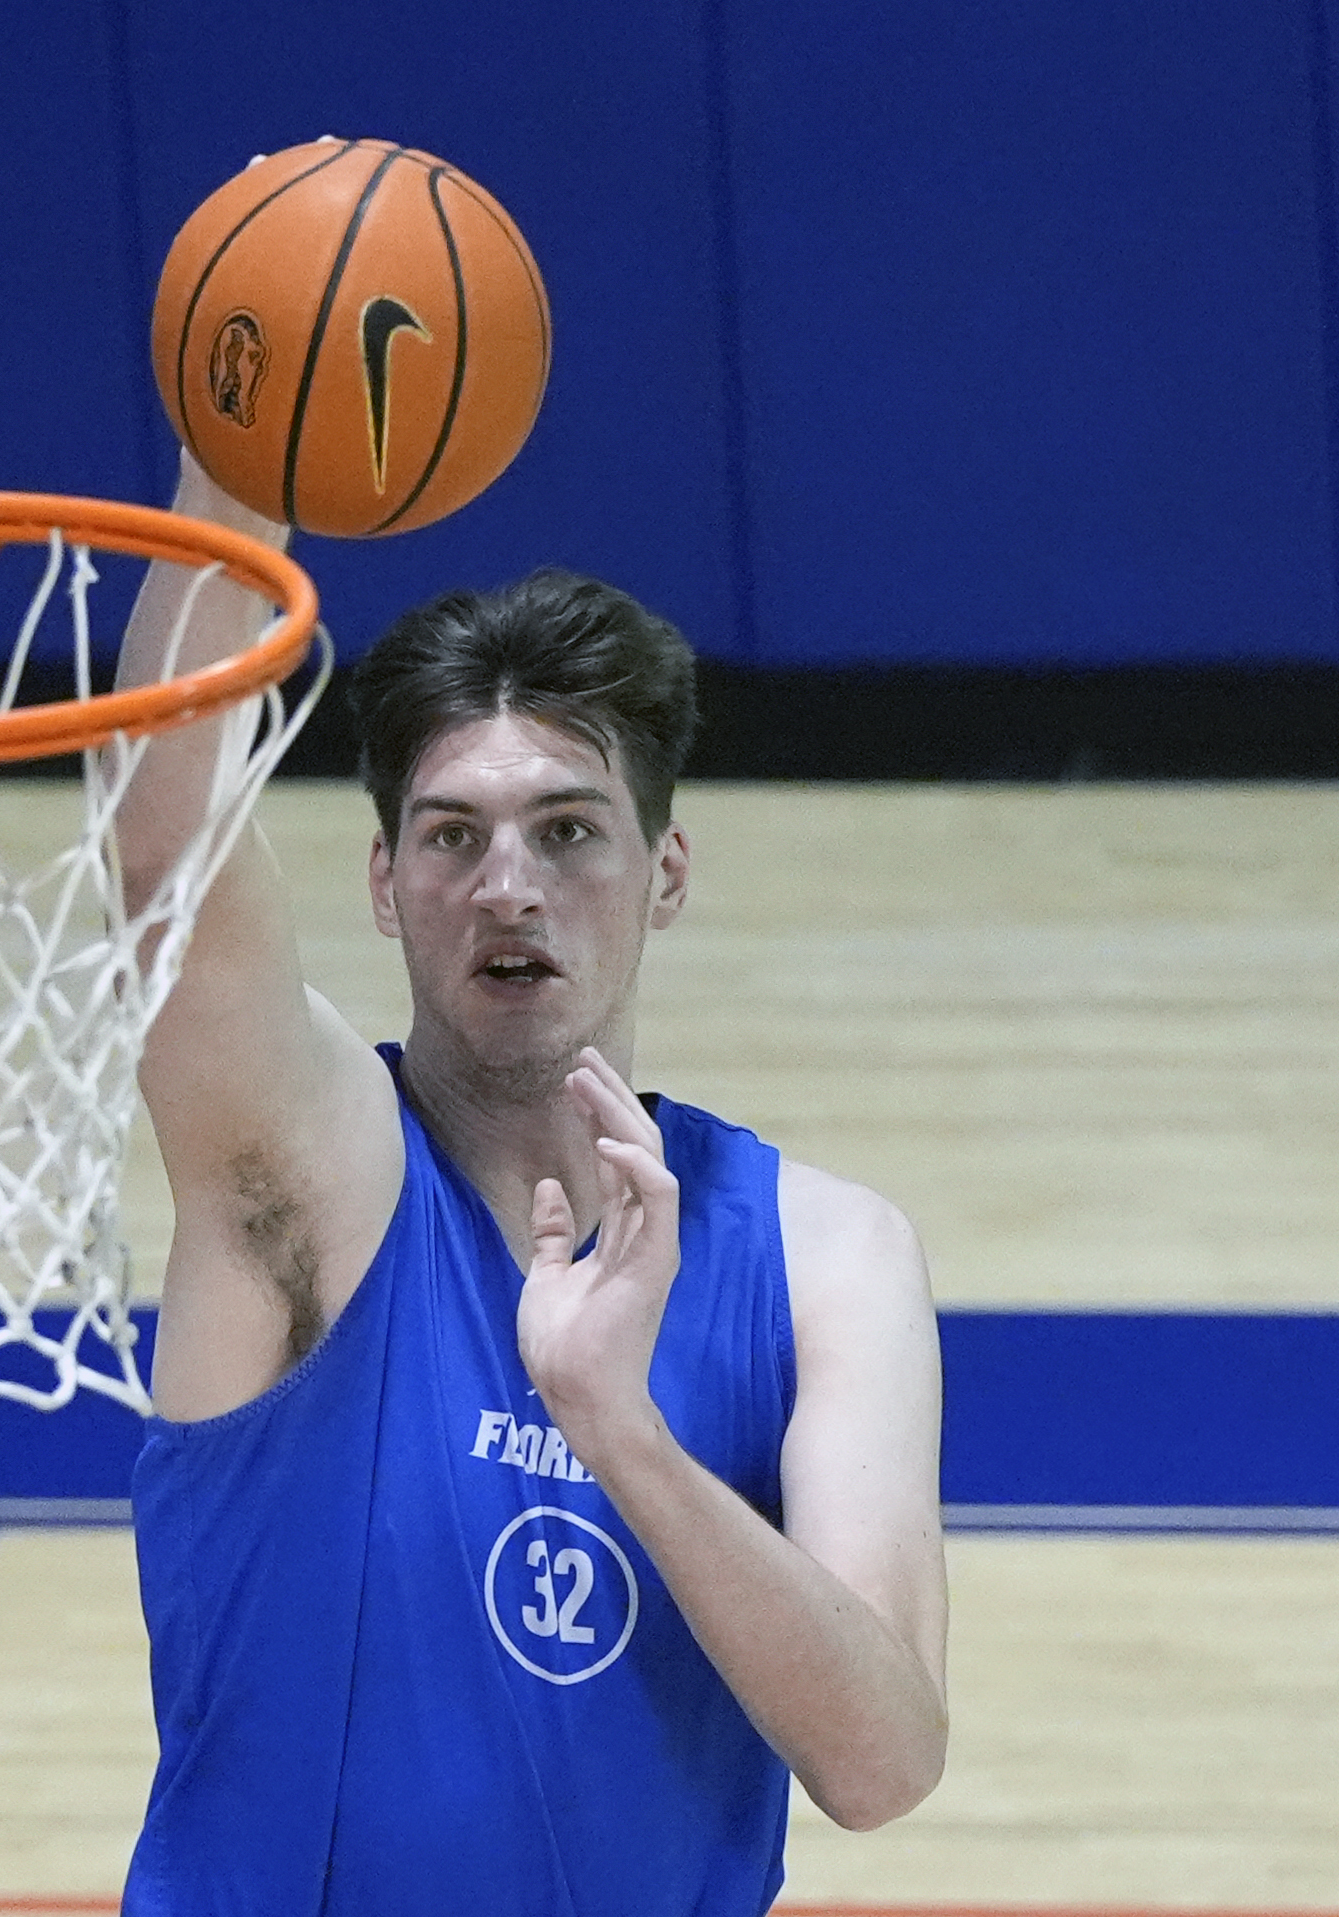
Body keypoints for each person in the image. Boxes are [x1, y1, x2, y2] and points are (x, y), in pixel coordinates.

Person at [115, 455, 949, 1914]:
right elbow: (160, 839)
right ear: (383, 884)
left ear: (663, 872)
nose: (509, 884)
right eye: (453, 837)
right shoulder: (312, 1174)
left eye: (566, 829)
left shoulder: (830, 1260)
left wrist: (619, 1429)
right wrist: (237, 458)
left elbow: (881, 1760)